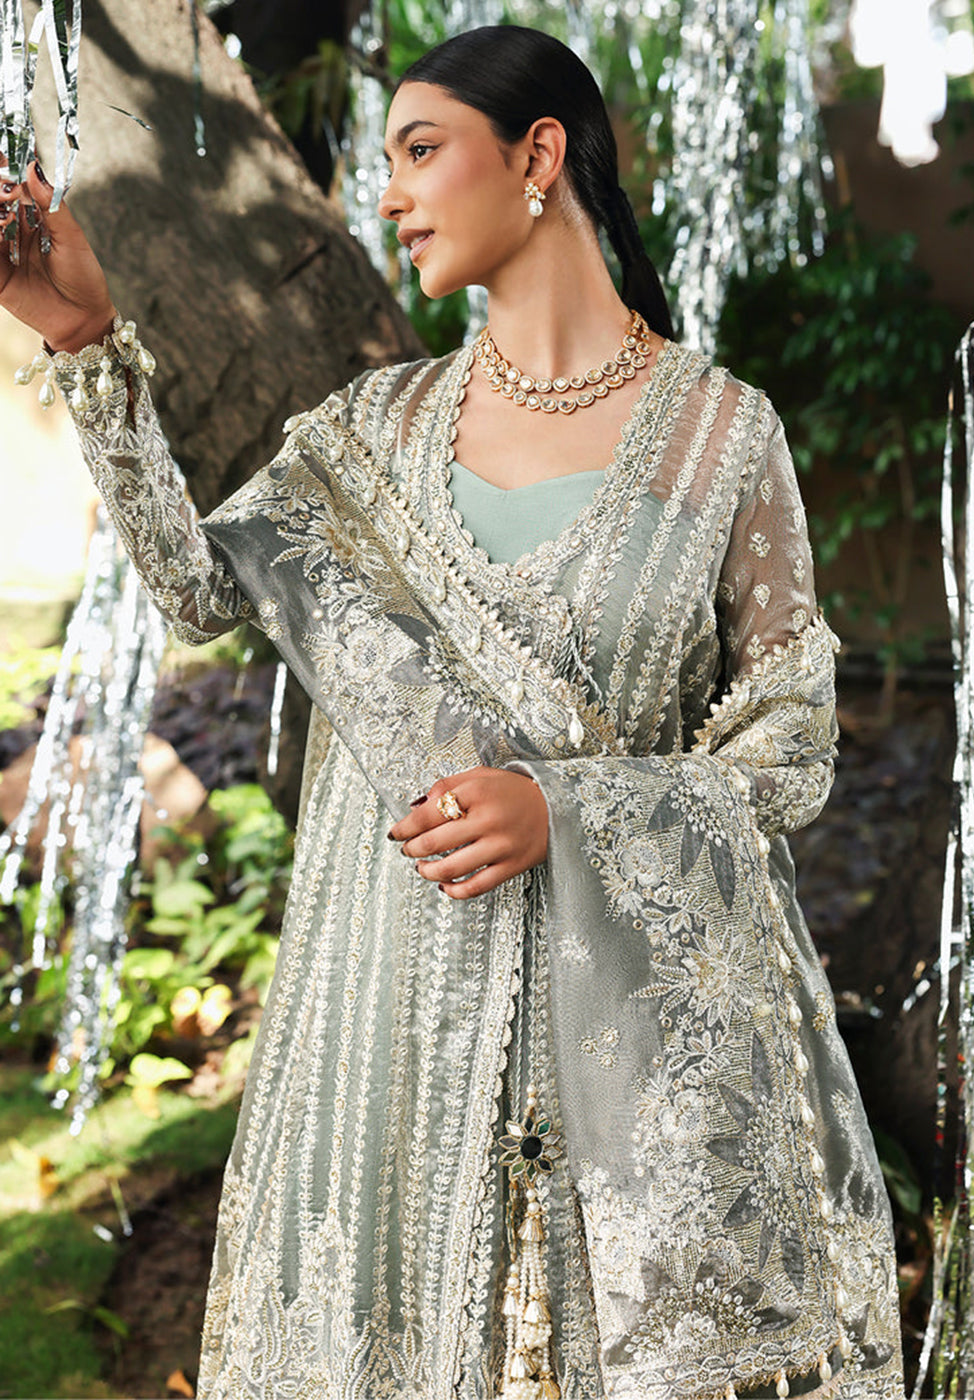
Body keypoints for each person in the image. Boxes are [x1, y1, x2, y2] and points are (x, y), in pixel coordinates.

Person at [1, 25, 905, 1400]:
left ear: (538, 156)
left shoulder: (723, 437)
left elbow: (789, 748)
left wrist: (569, 811)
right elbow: (198, 592)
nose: (390, 195)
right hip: (394, 1028)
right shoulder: (372, 433)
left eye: (421, 151)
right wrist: (86, 341)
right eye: (387, 162)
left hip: (631, 1068)